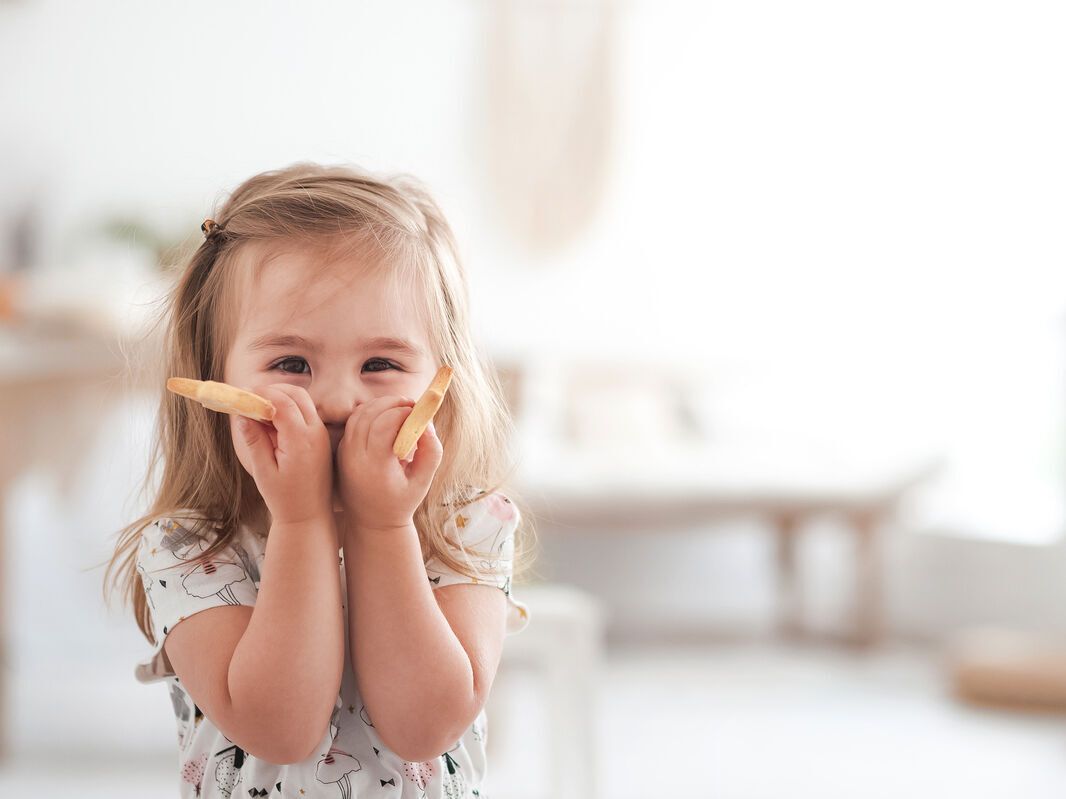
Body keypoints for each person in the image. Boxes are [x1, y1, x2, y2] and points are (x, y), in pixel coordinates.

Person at [103, 162, 535, 798]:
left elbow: (426, 726)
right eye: (292, 362)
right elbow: (282, 730)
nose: (336, 399)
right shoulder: (190, 547)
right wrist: (301, 521)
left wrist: (382, 525)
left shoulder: (466, 525)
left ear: (441, 378)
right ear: (215, 373)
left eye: (382, 363)